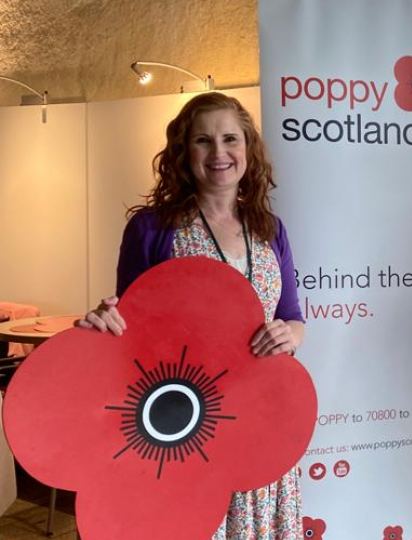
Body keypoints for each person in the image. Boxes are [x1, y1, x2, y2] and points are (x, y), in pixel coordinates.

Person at [77, 92, 306, 540]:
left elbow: (292, 316)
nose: (219, 153)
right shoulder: (153, 228)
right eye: (203, 141)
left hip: (263, 417)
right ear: (184, 153)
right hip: (187, 424)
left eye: (230, 139)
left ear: (248, 150)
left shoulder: (269, 227)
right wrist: (104, 323)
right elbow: (130, 328)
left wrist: (288, 337)